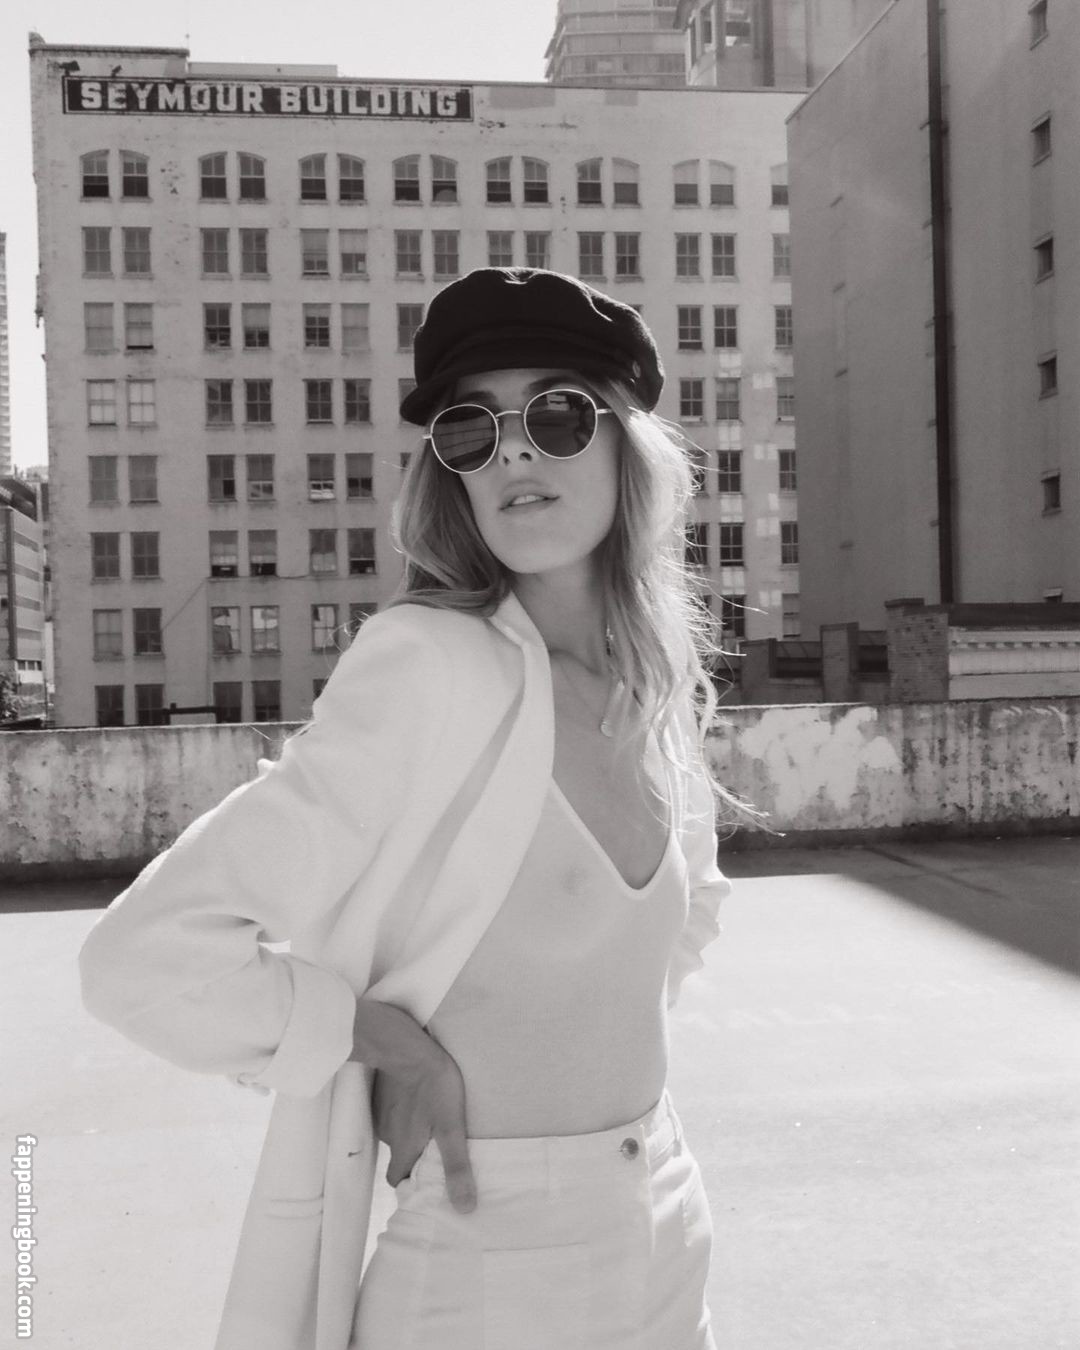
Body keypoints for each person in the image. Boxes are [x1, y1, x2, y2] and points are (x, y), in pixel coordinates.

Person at [79, 267, 756, 1350]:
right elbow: (145, 958)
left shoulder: (648, 687)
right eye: (471, 430)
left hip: (665, 1216)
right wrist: (373, 1039)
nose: (515, 453)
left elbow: (687, 919)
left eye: (557, 415)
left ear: (629, 446)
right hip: (486, 1254)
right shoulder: (431, 664)